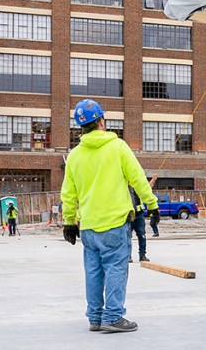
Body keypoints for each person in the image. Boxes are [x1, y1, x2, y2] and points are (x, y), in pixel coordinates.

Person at [61, 99, 158, 334]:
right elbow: (137, 179)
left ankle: (95, 317)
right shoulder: (118, 147)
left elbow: (68, 193)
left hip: (89, 226)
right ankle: (113, 316)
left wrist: (68, 221)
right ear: (102, 121)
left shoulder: (74, 156)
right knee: (116, 267)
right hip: (114, 224)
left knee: (93, 270)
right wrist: (152, 205)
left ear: (81, 127)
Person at [128, 190, 150, 263]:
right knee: (127, 237)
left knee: (142, 236)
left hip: (139, 215)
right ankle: (128, 256)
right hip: (129, 215)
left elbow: (148, 187)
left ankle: (142, 255)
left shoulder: (138, 186)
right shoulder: (125, 186)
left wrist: (154, 179)